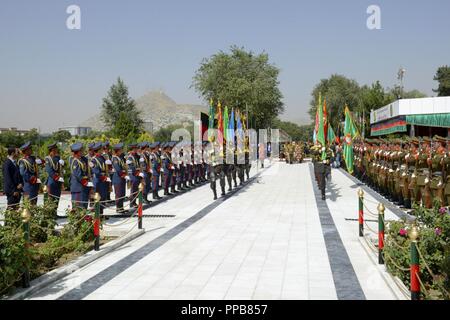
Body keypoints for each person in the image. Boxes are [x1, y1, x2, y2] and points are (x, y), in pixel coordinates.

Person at [45, 143, 64, 214]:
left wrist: (63, 164)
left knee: (57, 198)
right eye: (55, 149)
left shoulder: (58, 158)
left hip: (58, 182)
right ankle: (49, 214)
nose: (56, 150)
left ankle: (55, 213)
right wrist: (56, 177)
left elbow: (60, 169)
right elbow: (49, 170)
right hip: (52, 181)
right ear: (52, 150)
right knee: (50, 198)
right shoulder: (48, 158)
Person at [69, 142, 90, 210]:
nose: (82, 151)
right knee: (78, 207)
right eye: (81, 150)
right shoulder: (75, 161)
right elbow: (78, 175)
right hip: (78, 187)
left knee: (84, 205)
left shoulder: (82, 160)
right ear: (77, 152)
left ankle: (84, 219)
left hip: (83, 186)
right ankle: (79, 220)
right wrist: (85, 182)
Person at [112, 143, 129, 214]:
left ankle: (121, 207)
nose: (122, 150)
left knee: (122, 193)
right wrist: (124, 175)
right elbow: (118, 169)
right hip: (118, 178)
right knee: (118, 193)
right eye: (120, 149)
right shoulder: (115, 158)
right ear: (117, 150)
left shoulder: (120, 158)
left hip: (121, 178)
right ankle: (118, 208)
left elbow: (123, 167)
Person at [126, 143, 142, 208]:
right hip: (133, 175)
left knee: (136, 190)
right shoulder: (129, 157)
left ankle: (134, 202)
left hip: (137, 174)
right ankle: (132, 203)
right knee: (133, 189)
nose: (136, 150)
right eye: (134, 149)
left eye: (136, 149)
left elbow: (139, 164)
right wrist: (137, 172)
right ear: (132, 149)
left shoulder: (137, 156)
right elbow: (131, 167)